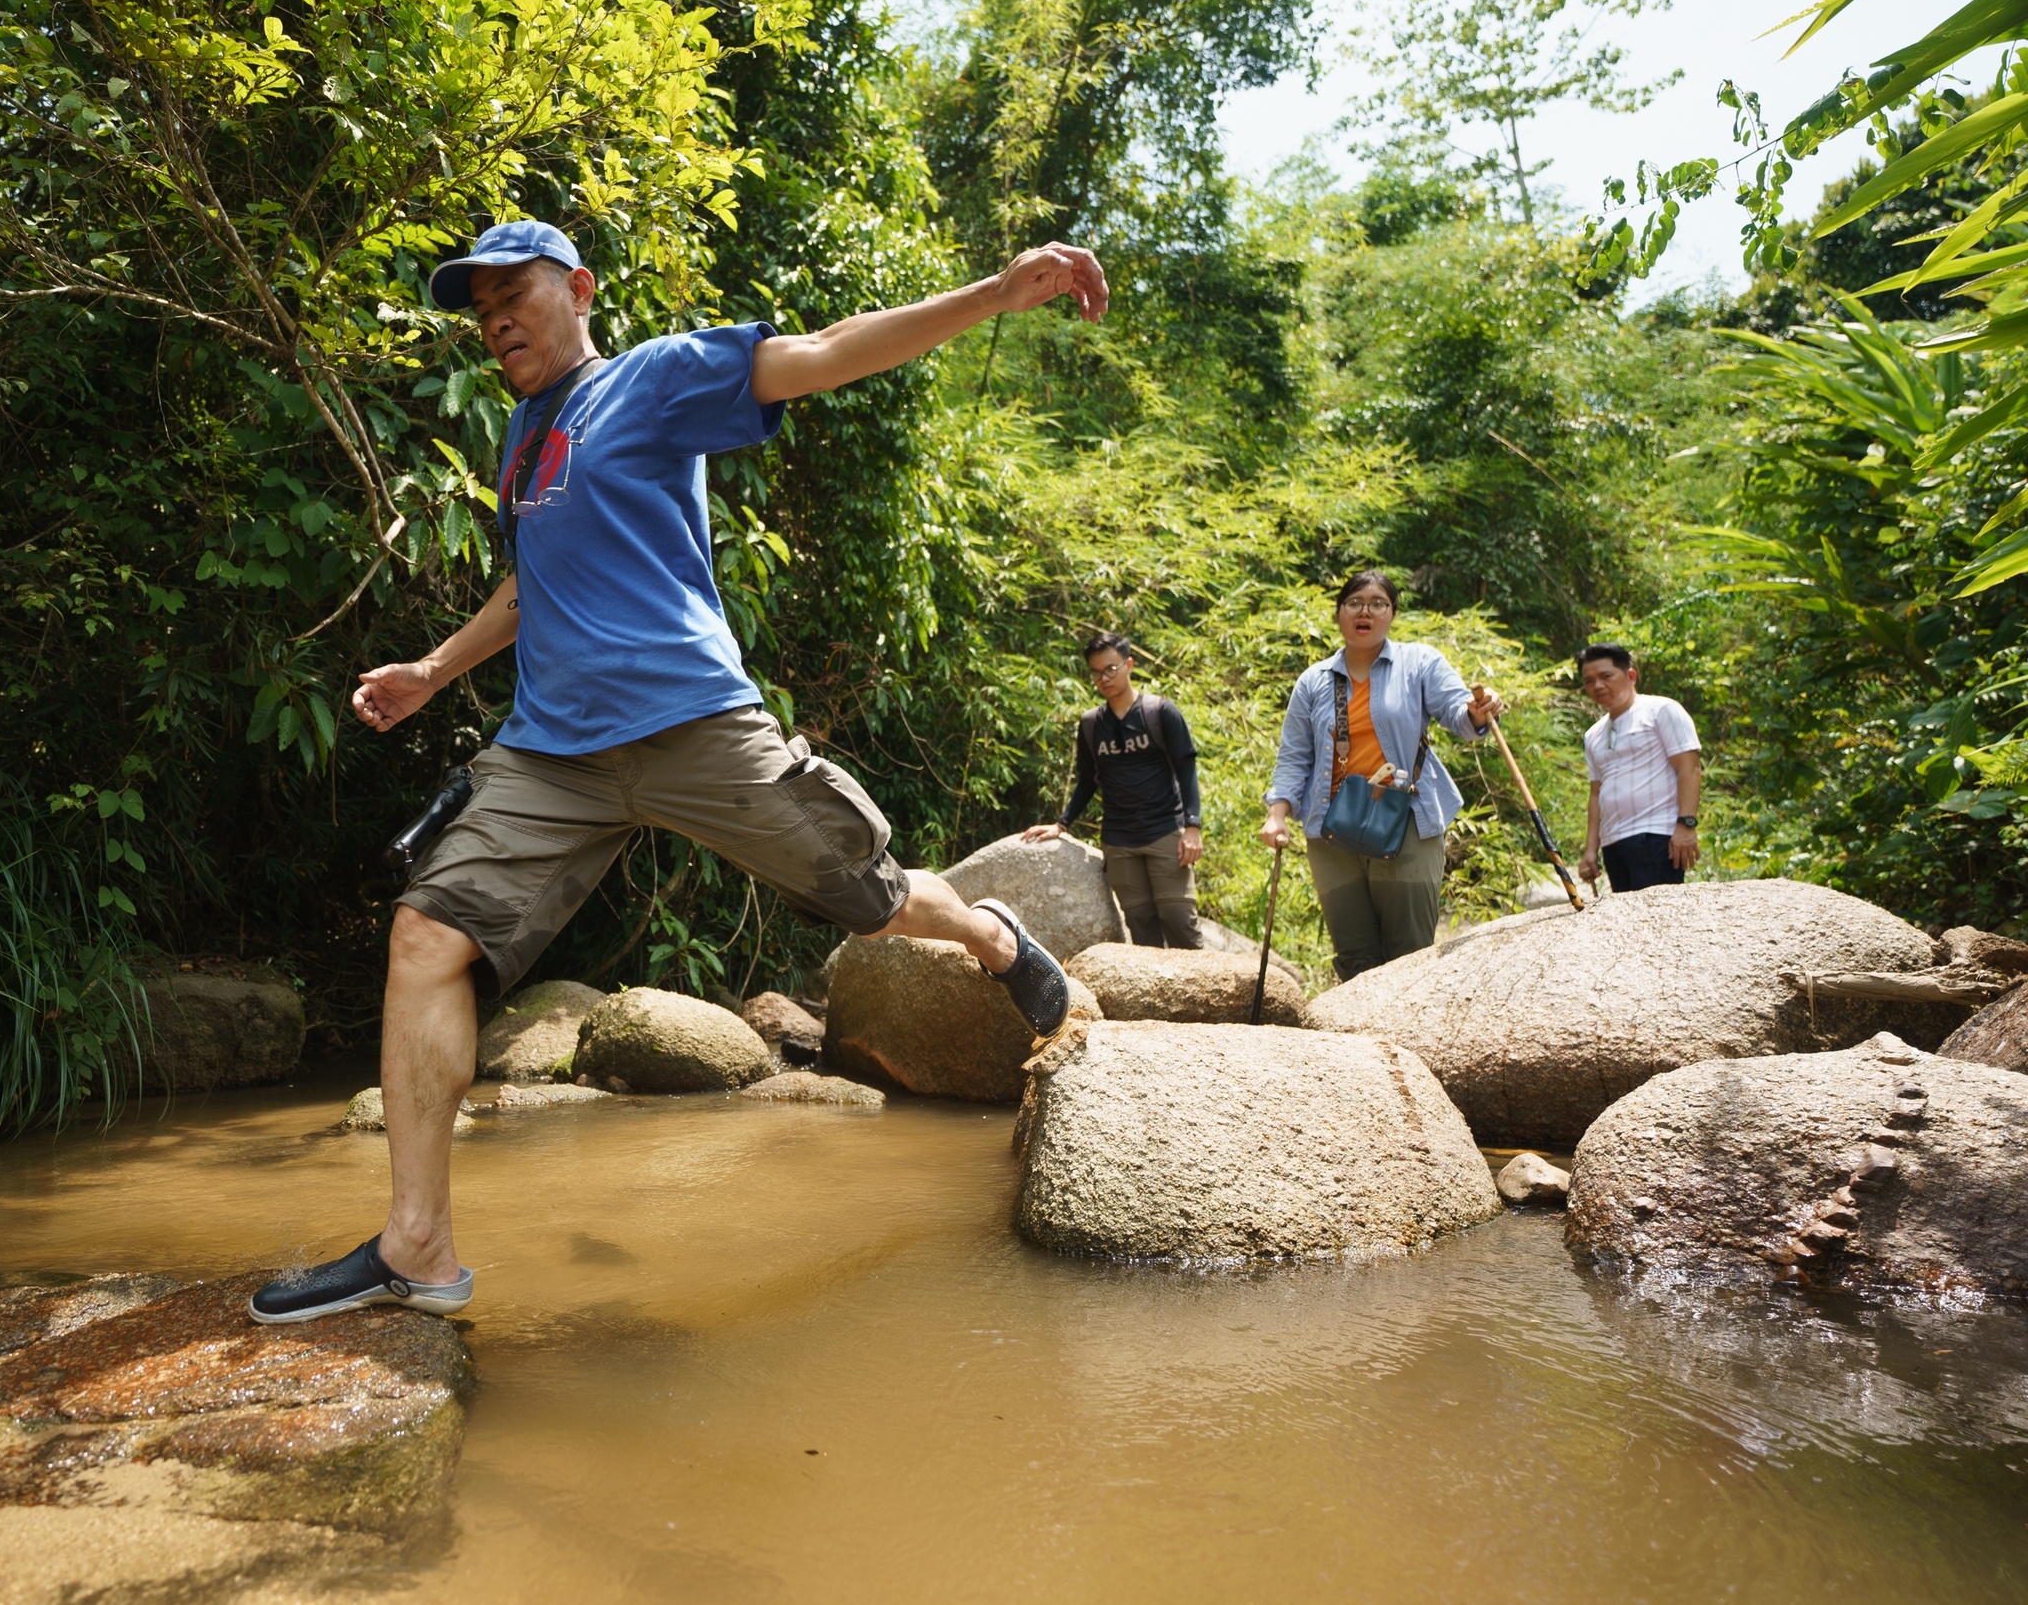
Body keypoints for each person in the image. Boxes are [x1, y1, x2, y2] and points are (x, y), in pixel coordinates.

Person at [248, 219, 1108, 1324]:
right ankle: (417, 1245)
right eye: (482, 305)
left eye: (518, 291)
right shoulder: (521, 436)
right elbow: (532, 585)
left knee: (870, 897)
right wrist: (431, 666)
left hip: (695, 723)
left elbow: (825, 349)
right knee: (425, 934)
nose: (497, 316)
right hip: (552, 752)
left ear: (580, 291)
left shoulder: (650, 382)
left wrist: (993, 292)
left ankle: (989, 934)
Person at [1257, 571, 1507, 981]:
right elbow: (1294, 755)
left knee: (1408, 953)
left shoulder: (1419, 662)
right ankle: (1359, 1047)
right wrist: (1278, 813)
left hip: (1403, 819)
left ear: (1392, 614)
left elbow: (1460, 714)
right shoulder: (1313, 681)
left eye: (1378, 603)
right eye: (1355, 602)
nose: (1365, 611)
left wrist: (1478, 711)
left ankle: (1408, 1044)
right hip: (1331, 829)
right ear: (1339, 614)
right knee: (1354, 955)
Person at [1019, 633, 1203, 948]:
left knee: (1178, 920)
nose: (1103, 678)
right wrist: (1061, 824)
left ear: (1128, 664)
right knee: (1141, 929)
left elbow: (1186, 768)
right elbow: (1089, 780)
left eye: (1110, 669)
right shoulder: (1091, 724)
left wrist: (1193, 826)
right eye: (1095, 672)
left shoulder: (1161, 712)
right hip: (1120, 841)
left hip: (1165, 833)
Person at [1573, 642, 1702, 894]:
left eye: (1605, 676)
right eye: (1589, 681)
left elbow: (1690, 769)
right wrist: (1591, 850)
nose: (1597, 685)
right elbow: (1596, 793)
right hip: (1613, 842)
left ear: (1630, 676)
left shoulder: (1661, 711)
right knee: (1629, 926)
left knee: (1658, 921)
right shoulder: (1593, 735)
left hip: (1655, 835)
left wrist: (1686, 826)